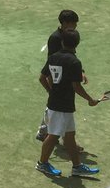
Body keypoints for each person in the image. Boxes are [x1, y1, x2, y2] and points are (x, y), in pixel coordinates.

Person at [35, 29, 100, 178]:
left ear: (62, 42)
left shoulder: (53, 57)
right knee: (52, 136)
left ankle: (77, 167)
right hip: (61, 106)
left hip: (59, 104)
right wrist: (90, 99)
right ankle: (42, 163)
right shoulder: (74, 62)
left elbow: (42, 78)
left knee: (70, 136)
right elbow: (76, 86)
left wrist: (51, 92)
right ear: (77, 44)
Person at [37, 10, 85, 144]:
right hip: (56, 77)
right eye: (73, 23)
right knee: (55, 104)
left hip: (61, 76)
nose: (75, 26)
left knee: (55, 105)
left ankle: (54, 134)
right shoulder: (56, 38)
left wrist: (80, 71)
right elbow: (53, 61)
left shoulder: (68, 37)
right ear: (64, 23)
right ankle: (44, 131)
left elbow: (70, 57)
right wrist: (51, 84)